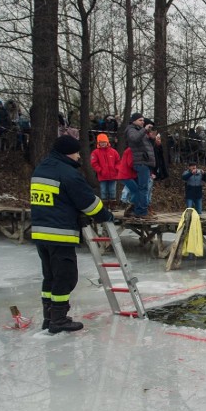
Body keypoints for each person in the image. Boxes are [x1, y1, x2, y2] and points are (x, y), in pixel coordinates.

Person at [31, 135, 114, 333]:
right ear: (69, 152)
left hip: (40, 234)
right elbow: (89, 204)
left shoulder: (41, 169)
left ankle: (49, 317)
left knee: (49, 277)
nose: (78, 157)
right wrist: (106, 216)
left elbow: (56, 200)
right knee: (65, 277)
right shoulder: (68, 173)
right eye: (77, 153)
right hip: (60, 234)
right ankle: (58, 320)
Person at [125, 113, 156, 218]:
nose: (143, 122)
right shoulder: (131, 129)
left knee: (141, 188)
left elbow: (146, 146)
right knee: (143, 188)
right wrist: (145, 130)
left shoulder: (140, 131)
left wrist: (151, 138)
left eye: (143, 120)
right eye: (140, 120)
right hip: (141, 162)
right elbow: (134, 139)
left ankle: (137, 209)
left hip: (145, 162)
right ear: (133, 121)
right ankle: (142, 212)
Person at [90, 133, 120, 203]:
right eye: (101, 142)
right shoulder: (95, 152)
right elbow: (94, 163)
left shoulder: (114, 152)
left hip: (113, 176)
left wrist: (116, 169)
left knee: (112, 191)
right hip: (102, 176)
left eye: (104, 142)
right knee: (103, 191)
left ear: (107, 142)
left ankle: (113, 205)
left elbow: (118, 162)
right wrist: (100, 170)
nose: (103, 144)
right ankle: (105, 206)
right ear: (98, 143)